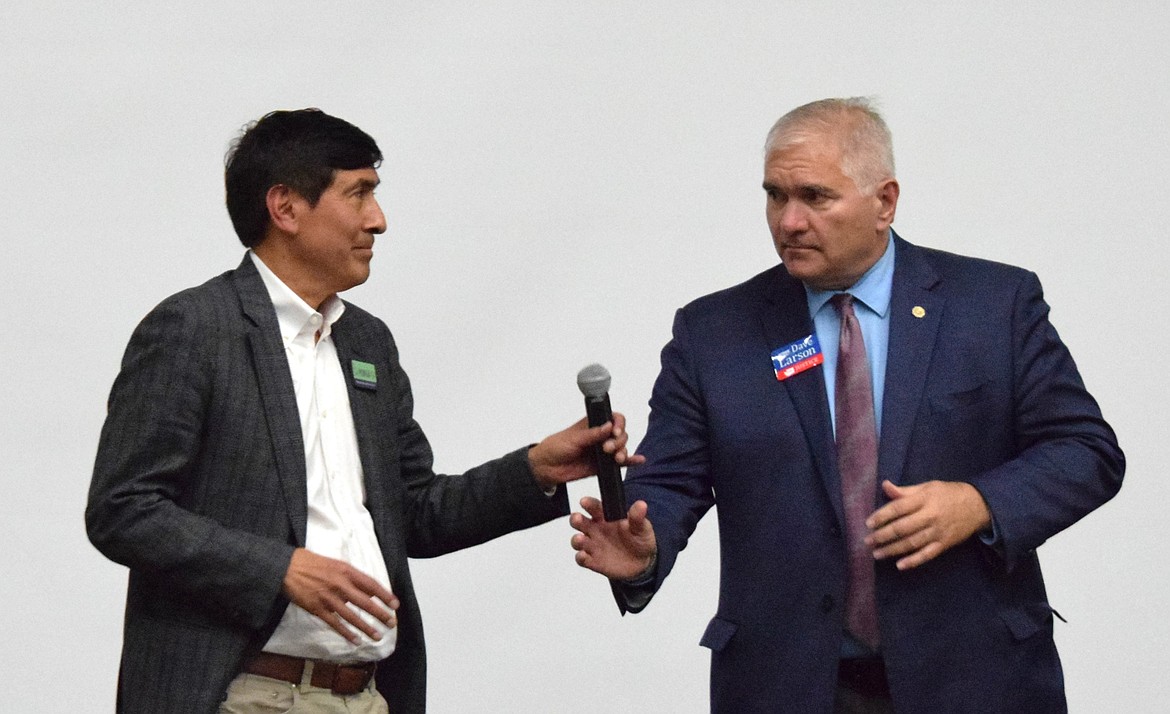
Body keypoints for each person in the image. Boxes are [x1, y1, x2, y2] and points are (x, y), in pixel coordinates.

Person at [570, 97, 1124, 713]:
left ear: (884, 201)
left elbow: (1087, 452)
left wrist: (978, 503)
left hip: (974, 677)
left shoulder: (992, 305)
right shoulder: (714, 332)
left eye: (815, 196)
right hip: (788, 684)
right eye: (775, 196)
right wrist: (647, 548)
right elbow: (670, 483)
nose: (789, 221)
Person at [86, 108, 639, 714]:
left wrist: (535, 468)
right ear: (286, 208)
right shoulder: (194, 329)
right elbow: (122, 510)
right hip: (238, 695)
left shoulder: (366, 342)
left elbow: (415, 514)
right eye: (359, 194)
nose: (378, 220)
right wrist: (278, 569)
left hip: (369, 697)